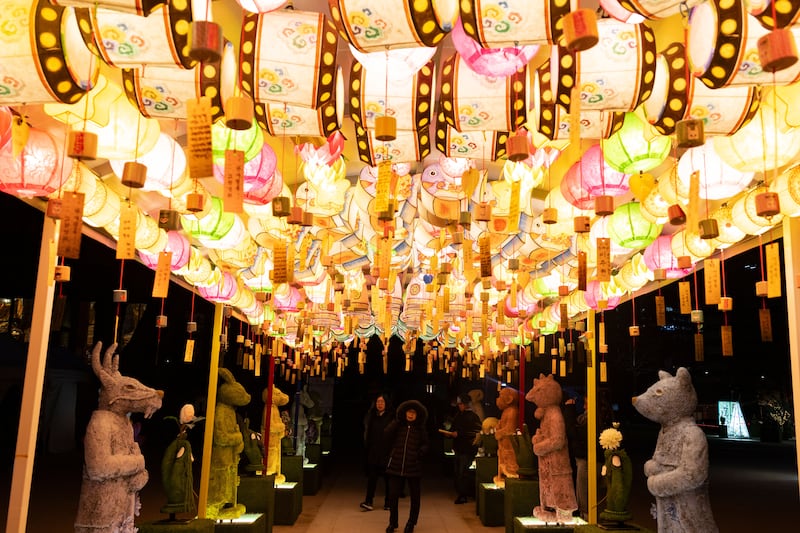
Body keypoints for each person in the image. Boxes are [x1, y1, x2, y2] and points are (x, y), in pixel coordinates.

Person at [385, 400, 429, 533]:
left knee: (415, 497)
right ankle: (393, 523)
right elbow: (386, 434)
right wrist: (396, 421)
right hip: (396, 465)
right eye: (408, 412)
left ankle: (411, 522)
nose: (410, 414)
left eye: (413, 412)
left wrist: (419, 454)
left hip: (413, 467)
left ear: (417, 415)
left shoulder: (420, 429)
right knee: (392, 495)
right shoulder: (399, 425)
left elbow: (426, 444)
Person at [440, 393, 482, 504]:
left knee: (463, 472)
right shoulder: (459, 415)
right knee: (459, 472)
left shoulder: (472, 416)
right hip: (459, 448)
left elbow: (476, 432)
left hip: (467, 449)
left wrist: (459, 434)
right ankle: (461, 493)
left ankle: (463, 494)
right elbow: (455, 429)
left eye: (461, 404)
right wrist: (449, 433)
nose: (459, 406)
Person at [360, 393, 392, 511]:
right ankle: (369, 501)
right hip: (373, 452)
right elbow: (368, 433)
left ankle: (388, 502)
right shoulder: (372, 416)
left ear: (386, 404)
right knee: (372, 478)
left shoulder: (390, 417)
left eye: (382, 402)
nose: (380, 404)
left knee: (388, 479)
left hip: (386, 453)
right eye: (378, 402)